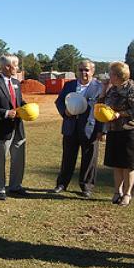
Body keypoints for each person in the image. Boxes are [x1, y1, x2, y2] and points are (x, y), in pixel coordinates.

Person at [53, 60, 104, 198]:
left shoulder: (99, 87)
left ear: (92, 71)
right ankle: (62, 184)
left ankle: (86, 186)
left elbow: (103, 109)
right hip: (70, 127)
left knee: (89, 159)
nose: (83, 73)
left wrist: (102, 130)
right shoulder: (69, 85)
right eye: (81, 70)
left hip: (90, 128)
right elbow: (59, 101)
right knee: (68, 157)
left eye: (86, 70)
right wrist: (65, 112)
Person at [0, 54, 27, 200]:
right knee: (0, 160)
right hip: (1, 129)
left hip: (18, 128)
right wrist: (6, 113)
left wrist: (27, 108)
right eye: (16, 64)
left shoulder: (17, 83)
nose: (18, 67)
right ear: (7, 66)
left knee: (18, 159)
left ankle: (15, 186)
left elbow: (19, 101)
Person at [98, 61, 134, 206]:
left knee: (128, 164)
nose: (109, 75)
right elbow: (101, 104)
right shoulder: (112, 89)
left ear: (117, 75)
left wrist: (119, 114)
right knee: (117, 163)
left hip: (130, 131)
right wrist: (104, 88)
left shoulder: (132, 88)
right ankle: (117, 192)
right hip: (114, 130)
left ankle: (127, 194)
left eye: (110, 73)